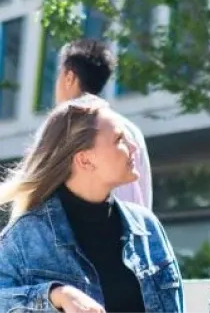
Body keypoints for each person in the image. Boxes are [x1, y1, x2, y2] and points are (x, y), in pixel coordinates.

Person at [0, 95, 183, 313]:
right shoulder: (25, 236)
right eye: (119, 140)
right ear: (85, 160)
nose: (134, 146)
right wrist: (56, 296)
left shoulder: (147, 227)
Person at [55, 38, 153, 209]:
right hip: (131, 230)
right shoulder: (131, 131)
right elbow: (144, 195)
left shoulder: (62, 128)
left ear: (69, 77)